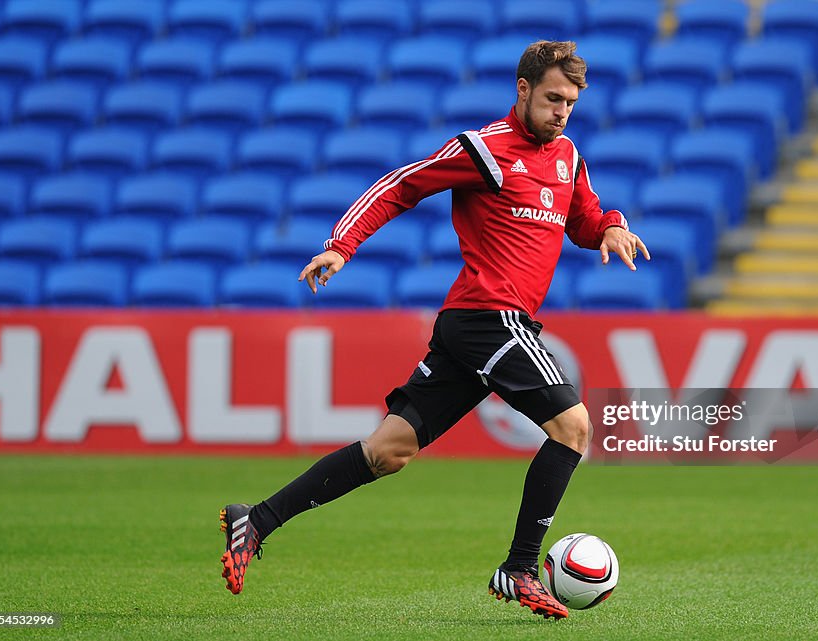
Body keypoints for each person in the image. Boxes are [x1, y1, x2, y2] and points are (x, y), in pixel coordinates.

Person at [219, 40, 650, 620]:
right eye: (552, 99)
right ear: (522, 91)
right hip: (488, 318)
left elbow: (584, 218)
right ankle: (521, 568)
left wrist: (612, 227)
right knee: (574, 428)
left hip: (473, 330)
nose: (562, 112)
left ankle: (257, 518)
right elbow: (402, 184)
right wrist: (341, 246)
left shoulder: (567, 155)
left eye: (570, 102)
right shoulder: (485, 150)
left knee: (387, 451)